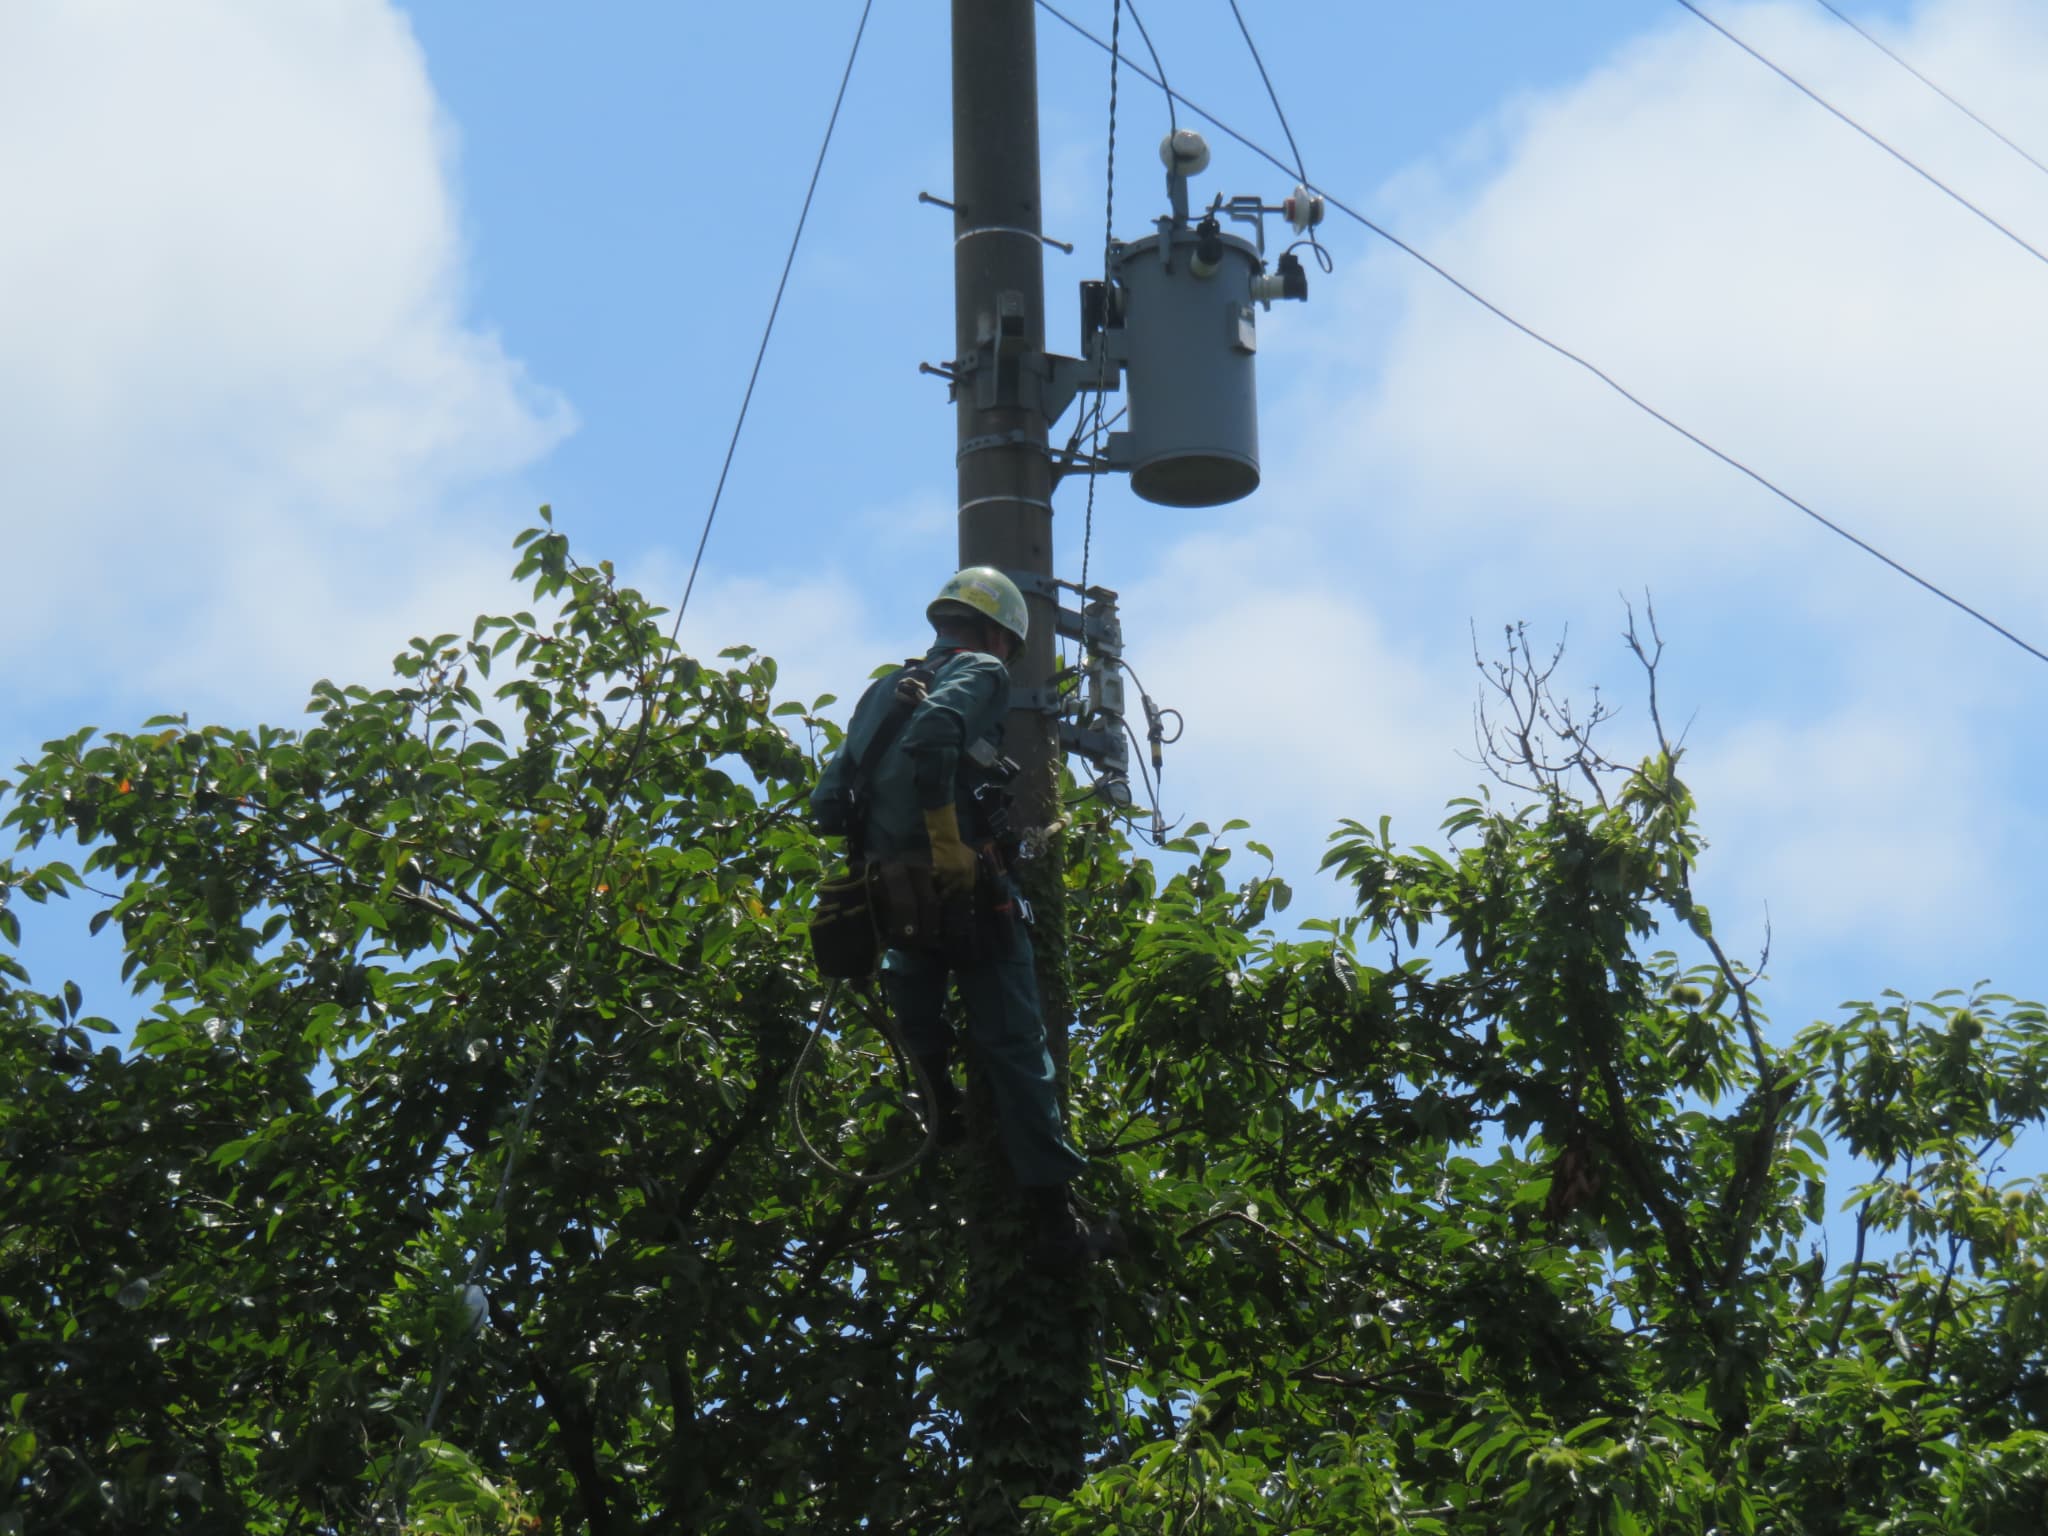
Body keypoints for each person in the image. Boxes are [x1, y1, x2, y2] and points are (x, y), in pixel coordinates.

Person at [811, 567, 1117, 1264]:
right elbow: (935, 737)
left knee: (915, 1004)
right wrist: (945, 839)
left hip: (893, 898)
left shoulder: (881, 690)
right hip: (966, 894)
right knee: (1016, 1043)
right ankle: (1056, 1218)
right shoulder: (982, 670)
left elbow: (829, 802)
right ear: (996, 633)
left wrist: (890, 845)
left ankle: (942, 1110)